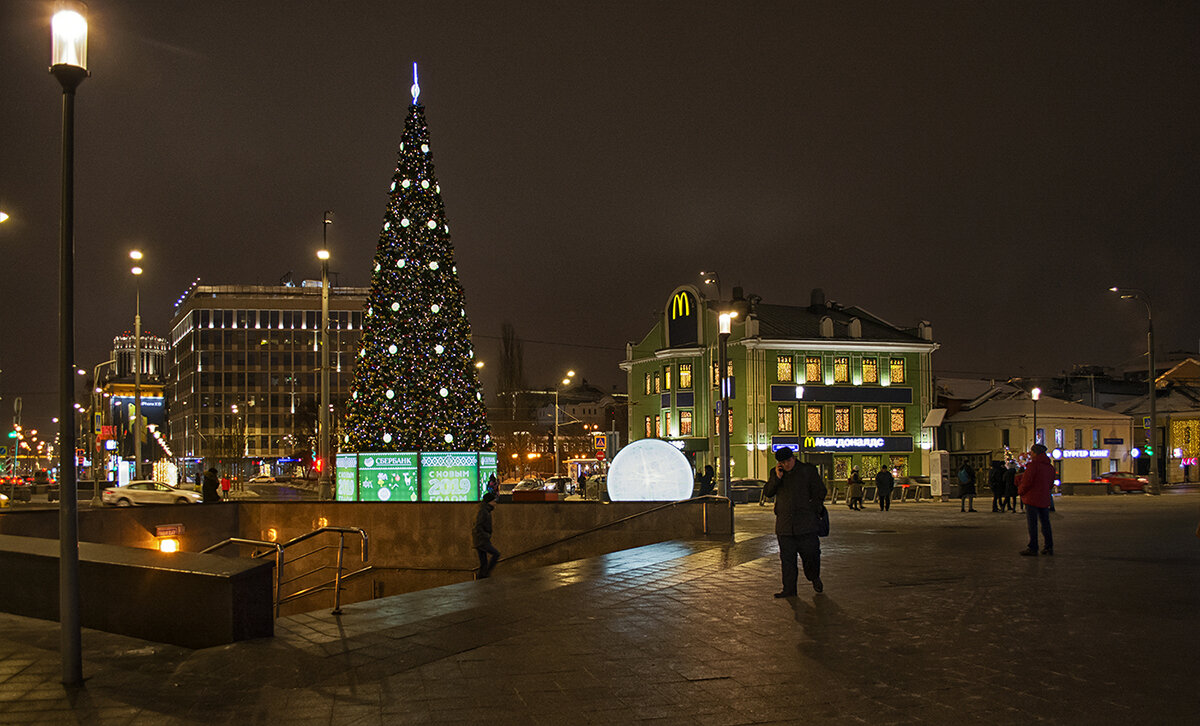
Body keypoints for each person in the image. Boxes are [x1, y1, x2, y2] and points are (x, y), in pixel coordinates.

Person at [763, 447, 827, 597]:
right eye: (782, 463)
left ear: (793, 458)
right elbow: (768, 492)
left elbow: (820, 491)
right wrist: (777, 478)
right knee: (787, 560)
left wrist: (812, 509)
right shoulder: (777, 473)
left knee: (811, 555)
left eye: (788, 461)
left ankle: (814, 577)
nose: (786, 465)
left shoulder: (807, 471)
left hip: (806, 525)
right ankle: (789, 589)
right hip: (785, 525)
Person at [1018, 444, 1055, 556]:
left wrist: (1020, 491)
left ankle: (1033, 547)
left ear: (1035, 453)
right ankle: (1049, 547)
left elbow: (1027, 482)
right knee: (1045, 523)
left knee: (1032, 524)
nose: (1030, 454)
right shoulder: (1050, 467)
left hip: (1032, 498)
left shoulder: (1033, 466)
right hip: (1044, 498)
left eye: (1031, 452)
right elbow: (1050, 483)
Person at [473, 491, 501, 577]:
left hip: (480, 539)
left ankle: (482, 577)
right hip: (482, 540)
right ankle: (485, 574)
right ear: (489, 502)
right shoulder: (484, 512)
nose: (495, 503)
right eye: (493, 501)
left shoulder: (485, 510)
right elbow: (478, 526)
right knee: (496, 554)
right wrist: (486, 535)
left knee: (483, 563)